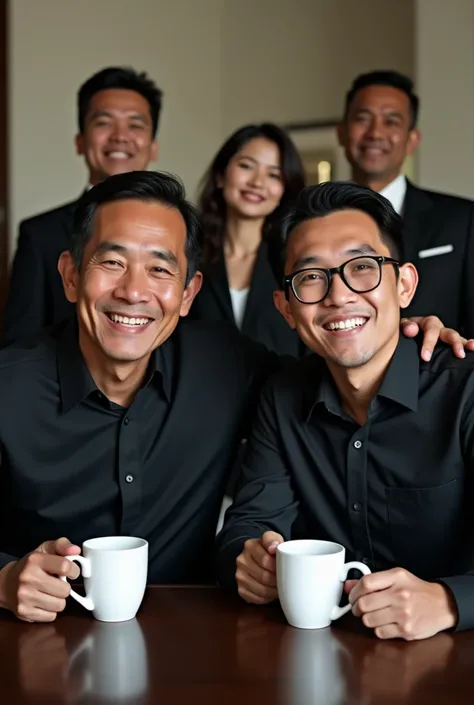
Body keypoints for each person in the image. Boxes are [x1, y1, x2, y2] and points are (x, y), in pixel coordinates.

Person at [0, 172, 466, 625]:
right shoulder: (9, 387)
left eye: (160, 268)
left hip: (192, 646)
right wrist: (3, 579)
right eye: (112, 262)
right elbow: (250, 527)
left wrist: (404, 338)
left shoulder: (232, 365)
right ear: (70, 276)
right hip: (38, 646)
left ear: (188, 293)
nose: (134, 291)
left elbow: (346, 358)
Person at [216, 182, 474, 639]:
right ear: (286, 308)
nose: (339, 296)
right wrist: (250, 558)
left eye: (362, 267)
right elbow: (250, 523)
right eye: (312, 277)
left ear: (405, 285)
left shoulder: (466, 390)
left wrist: (451, 602)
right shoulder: (282, 398)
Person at [3, 66, 162, 344]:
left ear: (153, 146)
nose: (120, 136)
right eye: (104, 122)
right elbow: (19, 345)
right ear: (80, 141)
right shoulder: (40, 235)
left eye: (135, 124)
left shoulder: (185, 232)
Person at [337, 70, 474, 336]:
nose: (375, 133)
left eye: (391, 121)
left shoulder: (463, 220)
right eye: (363, 119)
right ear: (342, 132)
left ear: (412, 139)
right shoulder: (314, 221)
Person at [189, 123, 307, 357]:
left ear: (285, 189)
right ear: (221, 175)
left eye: (274, 174)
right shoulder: (188, 251)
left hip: (281, 391)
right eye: (246, 166)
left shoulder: (298, 261)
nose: (257, 182)